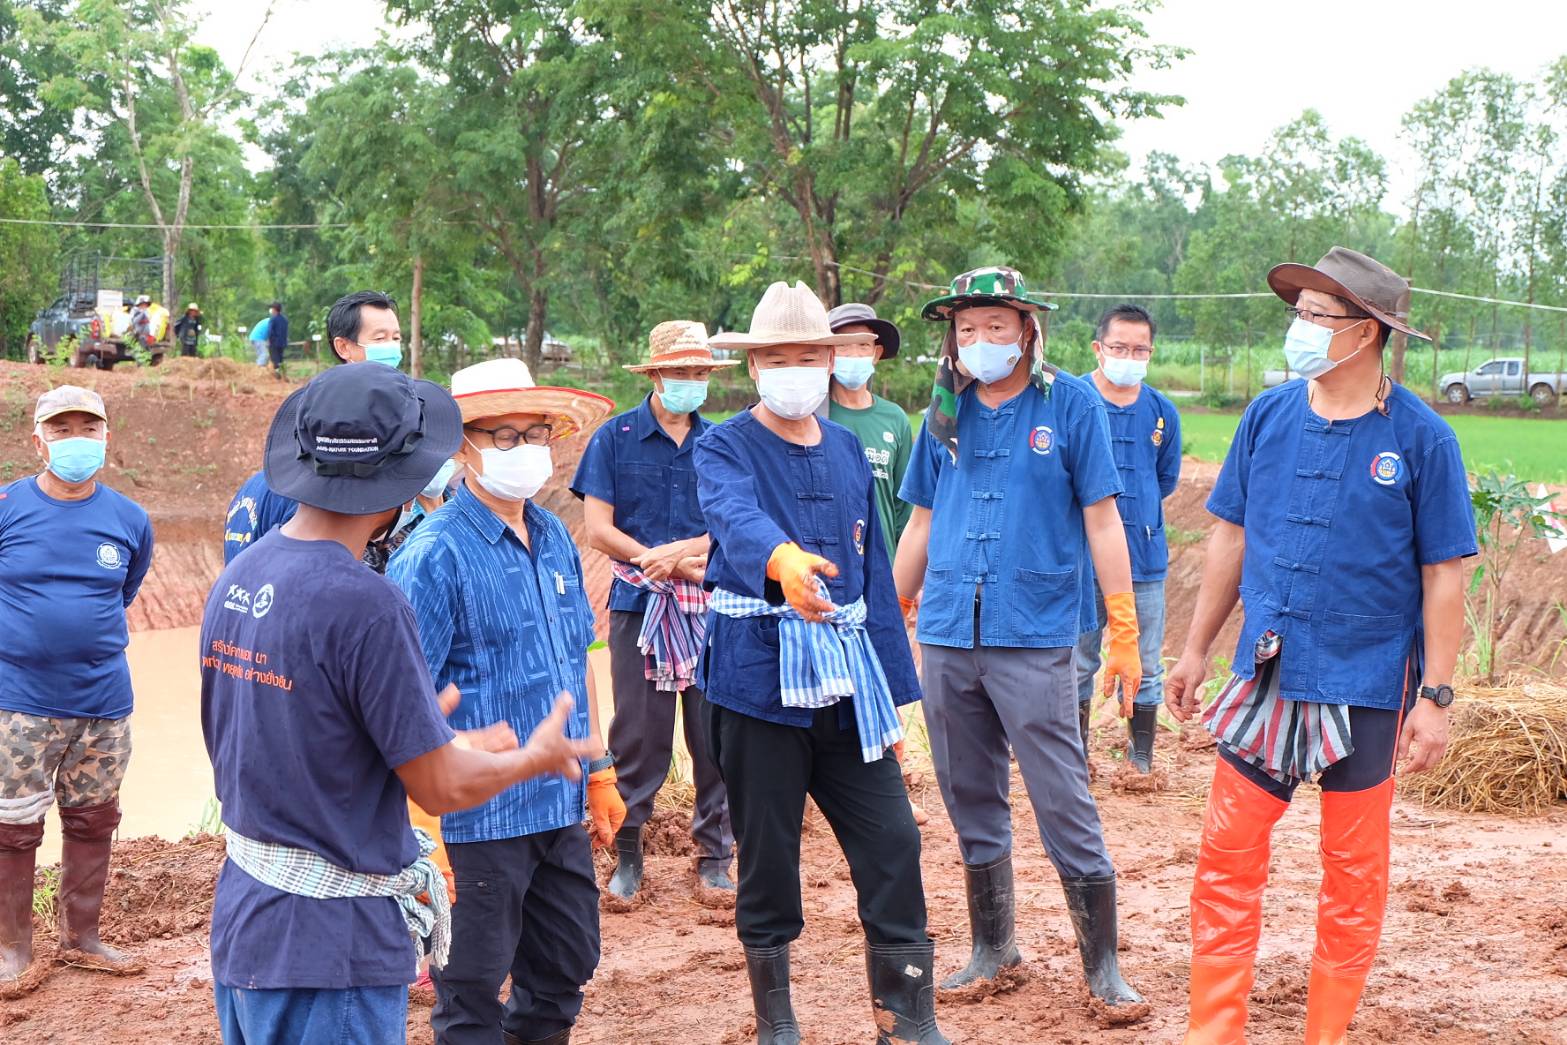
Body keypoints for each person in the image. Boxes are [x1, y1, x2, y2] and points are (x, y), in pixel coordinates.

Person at [201, 362, 597, 1045]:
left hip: (251, 923)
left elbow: (303, 735)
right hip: (333, 949)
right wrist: (532, 758)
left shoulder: (242, 575)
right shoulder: (368, 601)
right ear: (406, 481)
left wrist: (438, 735)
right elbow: (440, 787)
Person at [1164, 247, 1475, 1045]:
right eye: (1297, 312)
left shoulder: (1421, 438)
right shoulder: (1266, 417)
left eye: (1315, 315)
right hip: (1266, 669)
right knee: (1226, 853)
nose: (1298, 326)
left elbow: (1443, 575)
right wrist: (1195, 649)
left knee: (1352, 869)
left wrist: (1435, 698)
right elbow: (1229, 537)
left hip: (1368, 679)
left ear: (1364, 331)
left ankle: (1324, 1035)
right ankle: (1212, 1032)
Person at [699, 281, 947, 1045]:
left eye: (809, 355)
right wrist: (780, 560)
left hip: (847, 684)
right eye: (778, 358)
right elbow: (733, 516)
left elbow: (871, 575)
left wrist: (891, 698)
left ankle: (906, 1019)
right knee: (768, 855)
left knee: (894, 840)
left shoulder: (845, 449)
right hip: (756, 682)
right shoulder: (722, 445)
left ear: (832, 361)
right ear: (753, 367)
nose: (795, 370)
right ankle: (776, 1021)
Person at [892, 265, 1144, 1011]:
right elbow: (920, 522)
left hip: (1032, 631)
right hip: (947, 629)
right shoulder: (943, 412)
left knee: (1061, 795)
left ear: (1028, 331)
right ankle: (992, 947)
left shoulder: (1069, 404)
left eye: (996, 326)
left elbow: (1103, 519)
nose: (981, 340)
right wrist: (891, 609)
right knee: (968, 791)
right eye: (966, 328)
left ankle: (1103, 967)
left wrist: (1124, 626)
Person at [387, 357, 623, 1045]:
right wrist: (421, 829)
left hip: (557, 802)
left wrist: (599, 771)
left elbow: (576, 660)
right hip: (475, 819)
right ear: (462, 446)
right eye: (504, 436)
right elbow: (403, 700)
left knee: (565, 965)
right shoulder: (432, 554)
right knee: (471, 986)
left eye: (536, 434)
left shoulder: (553, 537)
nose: (524, 450)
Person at [571, 320, 737, 902]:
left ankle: (715, 855)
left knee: (714, 732)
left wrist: (687, 557)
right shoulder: (614, 438)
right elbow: (598, 529)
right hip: (638, 600)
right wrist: (656, 561)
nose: (691, 381)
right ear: (656, 375)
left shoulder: (721, 443)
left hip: (708, 602)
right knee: (639, 733)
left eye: (699, 372)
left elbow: (731, 523)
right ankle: (628, 852)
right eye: (680, 371)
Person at [0, 386, 154, 990]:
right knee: (12, 826)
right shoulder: (7, 506)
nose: (75, 441)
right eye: (60, 430)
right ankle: (13, 950)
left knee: (94, 818)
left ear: (106, 437)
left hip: (103, 703)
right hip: (18, 701)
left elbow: (125, 591)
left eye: (87, 429)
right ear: (38, 442)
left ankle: (81, 938)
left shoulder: (129, 519)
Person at [1073, 303, 1181, 773]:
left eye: (1140, 350)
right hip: (1078, 561)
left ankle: (1140, 758)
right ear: (1098, 349)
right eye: (1119, 347)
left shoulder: (1161, 413)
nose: (1129, 357)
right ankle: (1075, 758)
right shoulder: (1072, 399)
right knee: (1077, 660)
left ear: (1151, 353)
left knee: (1146, 663)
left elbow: (1164, 479)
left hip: (1144, 557)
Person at [224, 291, 406, 563]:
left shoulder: (263, 489)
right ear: (343, 347)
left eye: (396, 338)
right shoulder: (315, 502)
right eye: (380, 339)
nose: (391, 348)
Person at [825, 303, 913, 561]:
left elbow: (904, 506)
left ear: (876, 353)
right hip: (829, 561)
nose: (854, 354)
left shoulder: (894, 419)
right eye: (843, 345)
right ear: (828, 353)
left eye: (863, 345)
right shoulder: (814, 416)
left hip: (883, 562)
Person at [266, 301, 289, 377]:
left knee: (275, 359)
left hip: (274, 343)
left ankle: (277, 374)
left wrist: (270, 340)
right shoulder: (285, 320)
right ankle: (283, 373)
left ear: (274, 309)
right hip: (283, 342)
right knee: (280, 358)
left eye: (272, 308)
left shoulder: (273, 319)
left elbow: (270, 331)